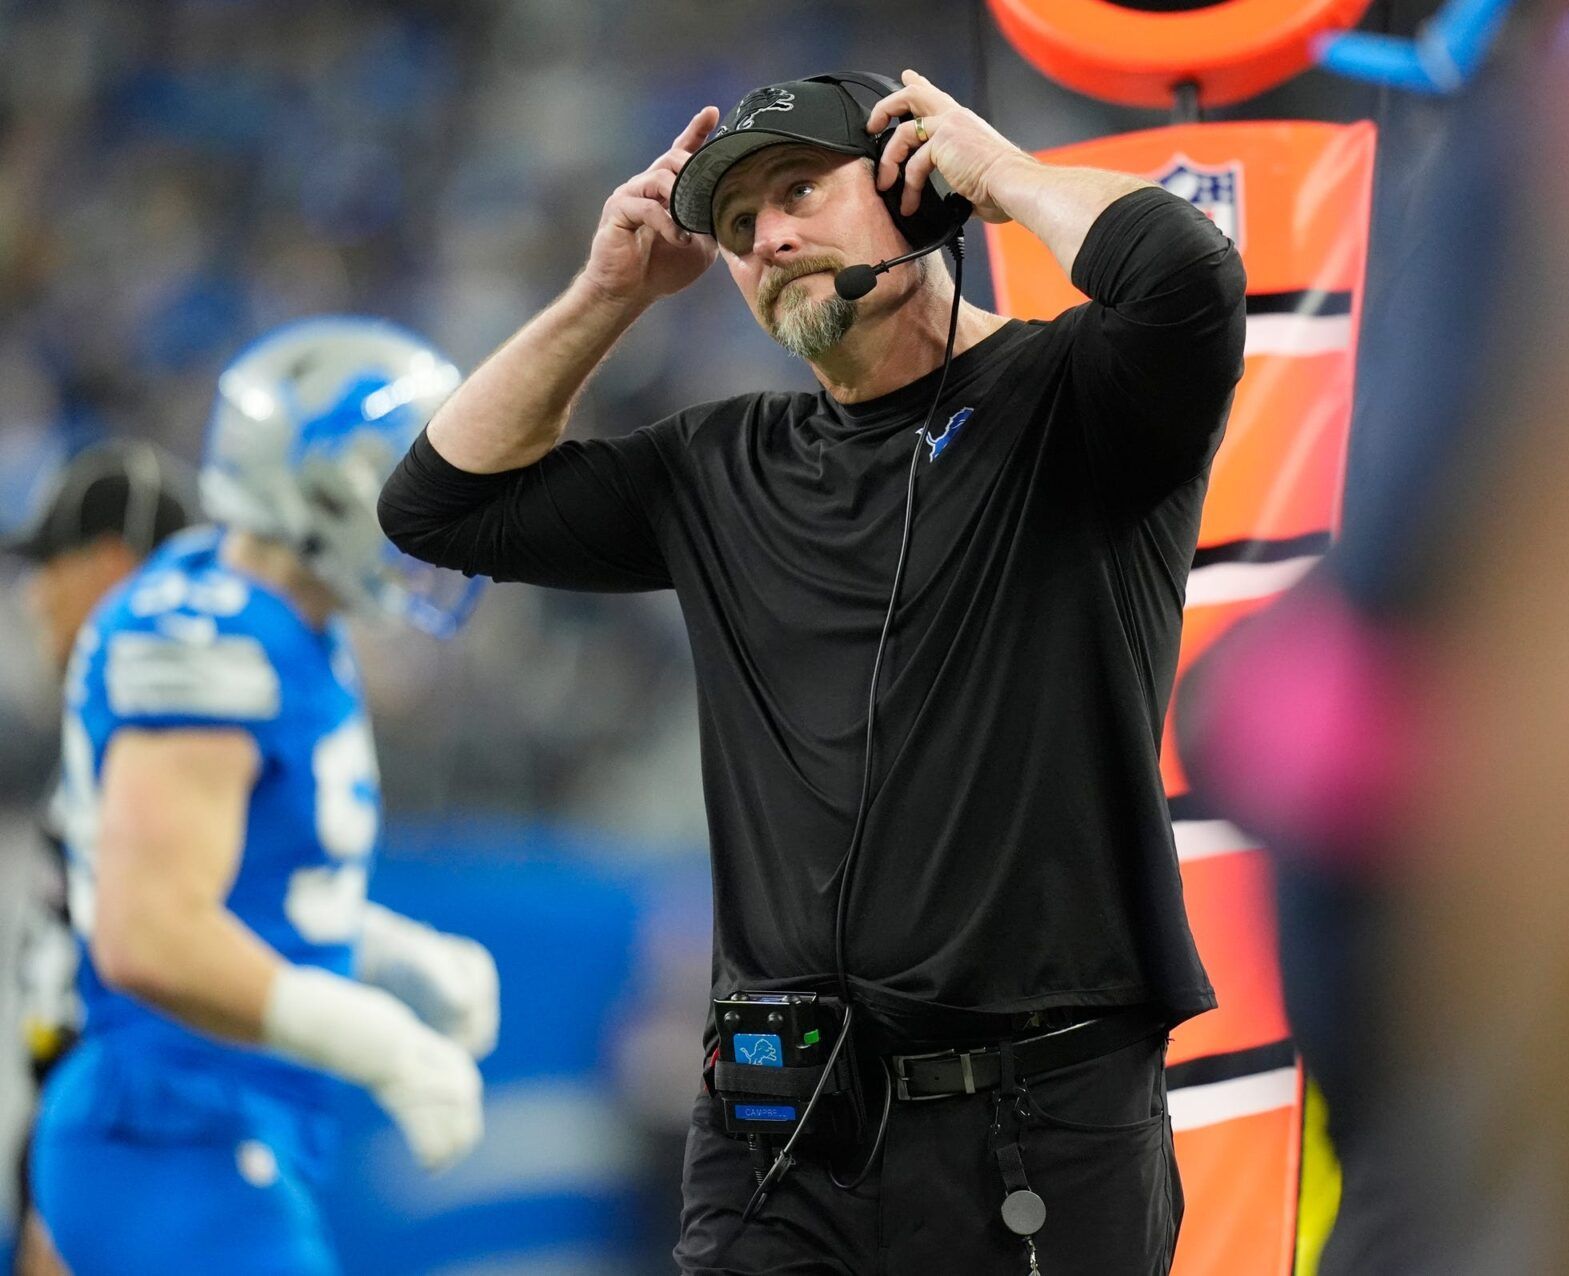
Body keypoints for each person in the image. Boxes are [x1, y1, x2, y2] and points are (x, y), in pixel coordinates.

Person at [379, 68, 1244, 1275]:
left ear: (913, 192)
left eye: (800, 191)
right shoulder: (717, 467)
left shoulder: (1076, 399)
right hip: (779, 1128)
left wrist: (997, 176)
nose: (768, 238)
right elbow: (436, 507)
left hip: (1039, 1125)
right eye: (736, 229)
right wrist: (607, 292)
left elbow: (1189, 277)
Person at [28, 318, 500, 1276]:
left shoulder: (286, 619)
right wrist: (383, 1046)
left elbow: (241, 888)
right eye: (406, 475)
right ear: (319, 484)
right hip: (167, 1127)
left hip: (220, 1123)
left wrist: (395, 959)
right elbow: (148, 933)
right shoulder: (209, 642)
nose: (431, 505)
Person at [5, 440, 199, 1276]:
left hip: (123, 1182)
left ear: (113, 566)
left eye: (52, 564)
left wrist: (80, 1201)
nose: (32, 594)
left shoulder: (178, 738)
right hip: (75, 1160)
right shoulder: (107, 728)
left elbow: (165, 981)